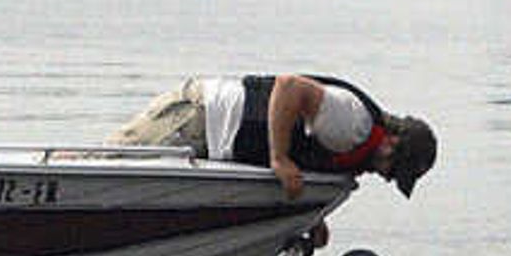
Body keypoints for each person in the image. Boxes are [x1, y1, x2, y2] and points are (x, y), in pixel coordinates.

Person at [111, 73, 436, 200]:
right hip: (198, 116)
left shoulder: (351, 146)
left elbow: (307, 156)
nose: (385, 176)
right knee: (106, 165)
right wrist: (278, 158)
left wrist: (306, 220)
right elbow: (289, 87)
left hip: (212, 143)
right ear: (392, 142)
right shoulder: (354, 126)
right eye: (393, 169)